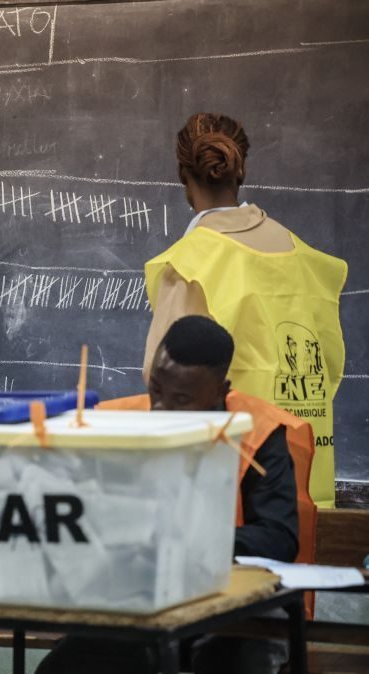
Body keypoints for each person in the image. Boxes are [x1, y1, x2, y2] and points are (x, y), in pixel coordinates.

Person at [37, 315, 314, 674]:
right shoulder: (118, 422)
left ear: (220, 391)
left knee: (238, 655)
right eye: (156, 389)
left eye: (182, 399)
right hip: (139, 596)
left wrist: (185, 542)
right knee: (63, 667)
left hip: (234, 599)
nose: (160, 408)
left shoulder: (258, 433)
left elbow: (279, 537)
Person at [143, 112, 346, 507]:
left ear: (183, 177)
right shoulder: (305, 257)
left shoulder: (193, 264)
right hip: (306, 479)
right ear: (242, 170)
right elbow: (331, 366)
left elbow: (162, 378)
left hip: (232, 489)